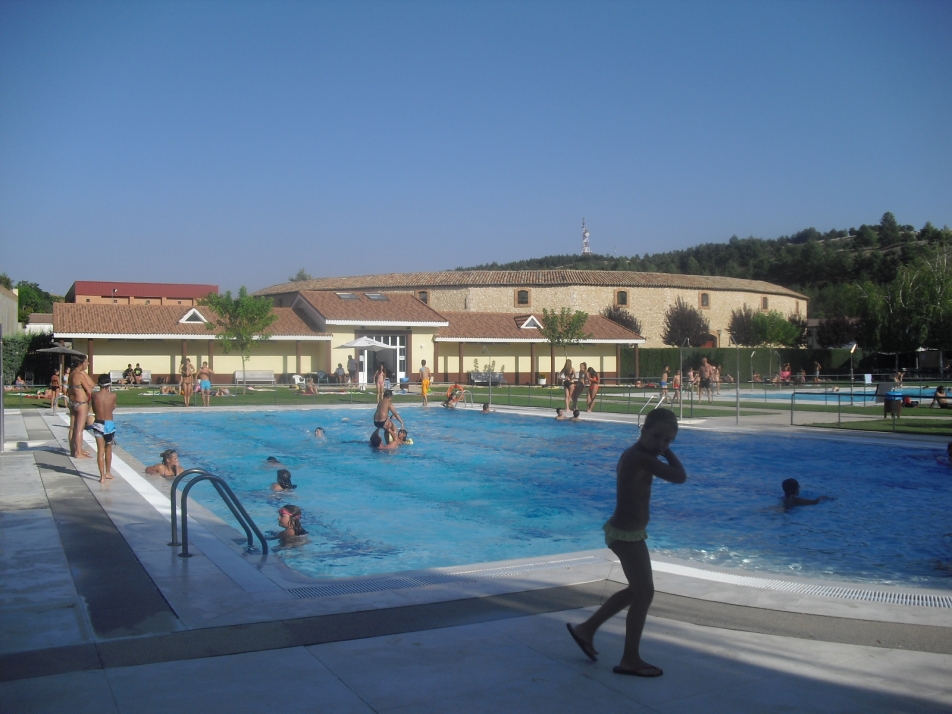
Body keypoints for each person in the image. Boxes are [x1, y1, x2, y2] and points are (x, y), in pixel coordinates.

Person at [566, 408, 686, 677]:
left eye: (668, 441)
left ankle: (587, 629)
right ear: (642, 430)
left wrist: (662, 448)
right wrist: (667, 453)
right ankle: (630, 658)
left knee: (637, 590)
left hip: (627, 532)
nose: (661, 445)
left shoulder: (638, 454)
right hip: (626, 535)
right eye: (656, 437)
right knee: (645, 593)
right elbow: (680, 476)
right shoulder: (640, 458)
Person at [87, 374, 117, 482]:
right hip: (109, 424)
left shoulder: (94, 395)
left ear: (99, 384)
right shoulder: (113, 395)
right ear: (109, 384)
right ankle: (108, 473)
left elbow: (94, 410)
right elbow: (112, 408)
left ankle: (102, 477)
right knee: (108, 450)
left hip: (98, 423)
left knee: (100, 451)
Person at [67, 356, 94, 458]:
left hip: (73, 402)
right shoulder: (79, 375)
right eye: (86, 362)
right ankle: (78, 453)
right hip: (81, 403)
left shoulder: (71, 374)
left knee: (72, 428)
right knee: (79, 429)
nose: (87, 364)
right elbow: (89, 389)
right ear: (80, 363)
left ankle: (73, 450)